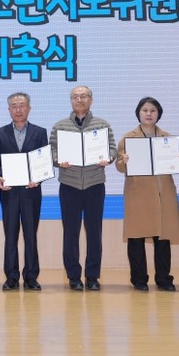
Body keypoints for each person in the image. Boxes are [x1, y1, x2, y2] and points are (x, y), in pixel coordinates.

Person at [49, 86, 116, 291]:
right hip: (69, 185)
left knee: (94, 232)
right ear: (71, 100)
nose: (79, 100)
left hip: (95, 184)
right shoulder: (60, 126)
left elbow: (112, 149)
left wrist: (109, 158)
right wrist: (58, 160)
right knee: (71, 232)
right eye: (75, 97)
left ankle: (93, 276)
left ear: (91, 100)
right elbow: (52, 151)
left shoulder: (102, 124)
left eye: (83, 96)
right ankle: (73, 276)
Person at [115, 97, 179, 292]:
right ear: (138, 113)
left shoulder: (167, 138)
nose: (148, 114)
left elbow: (174, 166)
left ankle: (164, 279)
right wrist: (123, 161)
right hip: (138, 194)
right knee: (136, 238)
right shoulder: (128, 138)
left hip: (163, 193)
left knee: (163, 238)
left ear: (158, 114)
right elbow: (119, 166)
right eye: (145, 110)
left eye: (153, 110)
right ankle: (139, 279)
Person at [0, 92, 48, 291]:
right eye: (14, 106)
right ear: (9, 110)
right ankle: (11, 277)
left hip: (32, 193)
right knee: (10, 235)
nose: (18, 109)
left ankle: (31, 277)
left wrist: (38, 178)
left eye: (22, 105)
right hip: (9, 193)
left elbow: (44, 161)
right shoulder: (0, 133)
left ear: (29, 108)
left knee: (31, 236)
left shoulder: (40, 132)